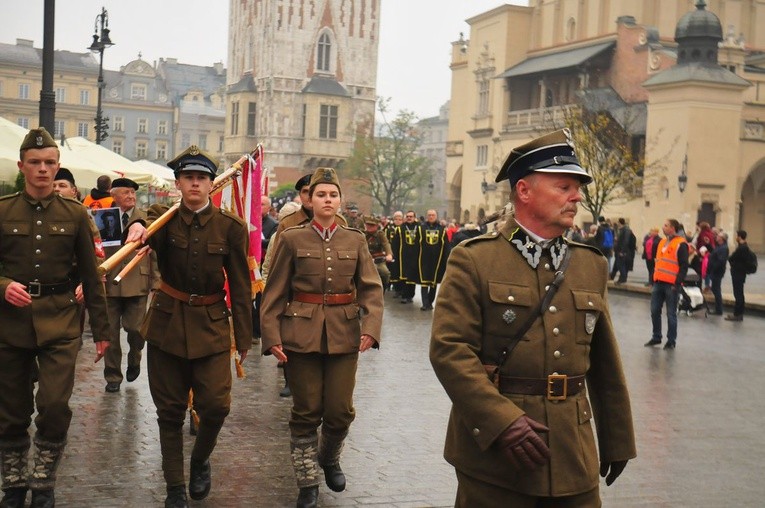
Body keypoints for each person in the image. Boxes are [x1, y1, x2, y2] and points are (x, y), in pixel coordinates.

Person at [429, 129, 635, 506]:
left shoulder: (590, 264)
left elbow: (605, 364)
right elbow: (449, 351)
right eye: (563, 187)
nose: (577, 196)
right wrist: (500, 420)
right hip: (497, 455)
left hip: (574, 451)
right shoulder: (474, 259)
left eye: (577, 188)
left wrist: (617, 437)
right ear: (524, 191)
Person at [125, 145, 252, 508]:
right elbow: (142, 219)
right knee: (169, 411)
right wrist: (136, 223)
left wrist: (243, 336)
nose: (195, 184)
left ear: (211, 184)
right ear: (178, 183)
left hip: (211, 326)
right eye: (188, 178)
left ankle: (199, 461)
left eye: (201, 178)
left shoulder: (231, 228)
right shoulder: (162, 221)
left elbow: (241, 285)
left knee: (216, 406)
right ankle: (175, 487)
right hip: (166, 324)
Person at [260, 167, 383, 508]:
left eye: (333, 195)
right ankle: (307, 482)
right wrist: (272, 337)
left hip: (345, 335)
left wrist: (371, 328)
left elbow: (372, 289)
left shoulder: (355, 240)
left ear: (340, 200)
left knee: (340, 411)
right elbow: (274, 292)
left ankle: (328, 457)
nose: (328, 200)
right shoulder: (291, 238)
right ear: (309, 200)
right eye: (321, 195)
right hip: (301, 334)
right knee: (306, 411)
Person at [0, 128, 110, 508]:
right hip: (10, 323)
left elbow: (92, 275)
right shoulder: (2, 210)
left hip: (61, 320)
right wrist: (2, 285)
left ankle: (44, 481)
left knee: (53, 405)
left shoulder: (76, 214)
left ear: (57, 166)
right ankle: (13, 483)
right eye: (35, 163)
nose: (43, 170)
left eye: (49, 163)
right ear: (22, 166)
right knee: (10, 408)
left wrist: (102, 331)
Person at [102, 178, 159, 393]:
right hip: (110, 282)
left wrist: (156, 281)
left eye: (133, 193)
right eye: (125, 192)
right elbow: (95, 248)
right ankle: (113, 376)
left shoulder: (144, 219)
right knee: (110, 334)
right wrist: (97, 273)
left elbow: (154, 252)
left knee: (136, 329)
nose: (131, 196)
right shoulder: (103, 218)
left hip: (138, 281)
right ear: (113, 195)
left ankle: (135, 358)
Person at [645, 219, 689, 349]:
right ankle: (656, 336)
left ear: (673, 228)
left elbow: (684, 265)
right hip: (658, 282)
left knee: (671, 314)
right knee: (654, 310)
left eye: (666, 225)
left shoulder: (681, 244)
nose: (663, 227)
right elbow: (658, 261)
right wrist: (653, 278)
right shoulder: (662, 242)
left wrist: (678, 282)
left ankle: (671, 340)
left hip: (672, 284)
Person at [418, 209, 449, 310]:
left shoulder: (441, 229)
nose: (431, 217)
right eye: (429, 215)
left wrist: (447, 259)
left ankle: (430, 302)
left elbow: (446, 246)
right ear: (427, 216)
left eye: (433, 215)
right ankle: (424, 303)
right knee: (424, 281)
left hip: (437, 260)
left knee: (433, 282)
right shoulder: (421, 228)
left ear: (436, 216)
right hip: (424, 259)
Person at [726, 230, 754, 321]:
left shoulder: (742, 248)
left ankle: (738, 314)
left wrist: (731, 260)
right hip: (739, 273)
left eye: (737, 235)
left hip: (738, 273)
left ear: (740, 237)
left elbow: (732, 258)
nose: (736, 237)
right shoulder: (743, 247)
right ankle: (738, 313)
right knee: (739, 293)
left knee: (738, 294)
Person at [397, 210, 420, 303]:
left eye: (411, 216)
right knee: (404, 276)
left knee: (412, 276)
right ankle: (404, 295)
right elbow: (396, 243)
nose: (409, 218)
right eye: (408, 216)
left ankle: (411, 295)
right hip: (404, 255)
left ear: (414, 217)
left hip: (415, 255)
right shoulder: (401, 228)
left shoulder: (419, 228)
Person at [364, 217, 393, 289]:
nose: (369, 227)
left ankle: (382, 289)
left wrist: (389, 254)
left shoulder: (380, 234)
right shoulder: (362, 234)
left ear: (377, 226)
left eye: (372, 225)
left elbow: (386, 244)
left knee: (385, 273)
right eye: (368, 224)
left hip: (377, 260)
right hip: (364, 259)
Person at [707, 232, 729, 316]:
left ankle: (719, 310)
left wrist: (713, 268)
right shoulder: (719, 246)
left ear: (722, 239)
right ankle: (718, 308)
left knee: (716, 290)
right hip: (715, 271)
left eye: (719, 236)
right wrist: (708, 244)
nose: (717, 237)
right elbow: (714, 253)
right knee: (715, 289)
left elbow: (721, 261)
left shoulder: (723, 248)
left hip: (717, 272)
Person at [612, 218, 636, 284]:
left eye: (618, 222)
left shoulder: (626, 230)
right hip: (620, 250)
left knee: (620, 265)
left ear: (620, 223)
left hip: (623, 251)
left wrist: (622, 251)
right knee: (619, 264)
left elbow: (626, 241)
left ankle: (623, 279)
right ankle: (621, 278)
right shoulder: (622, 230)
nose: (617, 224)